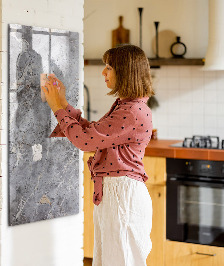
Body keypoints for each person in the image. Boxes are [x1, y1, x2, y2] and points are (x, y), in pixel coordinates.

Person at [41, 44, 155, 266]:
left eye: (109, 67)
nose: (103, 72)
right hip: (116, 194)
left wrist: (57, 108)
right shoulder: (127, 106)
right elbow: (93, 133)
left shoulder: (131, 111)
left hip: (122, 196)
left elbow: (85, 141)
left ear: (125, 72)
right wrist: (63, 103)